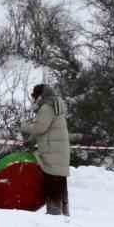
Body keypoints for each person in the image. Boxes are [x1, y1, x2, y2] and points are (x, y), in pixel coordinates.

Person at [25, 83, 71, 215]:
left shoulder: (46, 107)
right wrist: (31, 140)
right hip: (58, 152)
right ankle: (64, 214)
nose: (33, 99)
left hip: (52, 152)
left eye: (34, 96)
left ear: (40, 96)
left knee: (52, 183)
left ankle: (54, 215)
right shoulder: (55, 106)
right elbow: (45, 127)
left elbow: (40, 128)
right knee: (60, 183)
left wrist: (24, 127)